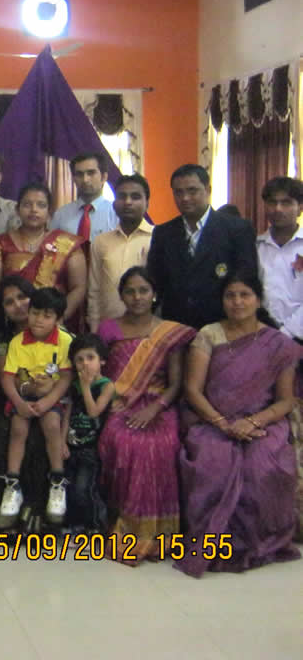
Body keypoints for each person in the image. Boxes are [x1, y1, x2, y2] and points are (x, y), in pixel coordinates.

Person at [177, 273, 301, 577]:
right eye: (230, 296)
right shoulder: (209, 335)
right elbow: (193, 390)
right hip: (211, 418)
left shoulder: (278, 344)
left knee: (263, 465)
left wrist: (252, 422)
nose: (237, 302)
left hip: (263, 420)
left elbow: (286, 400)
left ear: (258, 300)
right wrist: (223, 424)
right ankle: (216, 544)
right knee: (213, 462)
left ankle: (261, 543)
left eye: (245, 295)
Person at [96, 266, 194, 564]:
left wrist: (155, 407)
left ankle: (161, 535)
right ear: (121, 296)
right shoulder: (107, 330)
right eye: (130, 291)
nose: (137, 297)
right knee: (123, 440)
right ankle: (125, 527)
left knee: (162, 443)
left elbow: (175, 383)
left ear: (154, 294)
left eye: (143, 290)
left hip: (159, 404)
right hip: (119, 403)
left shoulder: (169, 332)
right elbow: (99, 375)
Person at [0, 275, 53, 532]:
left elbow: (59, 373)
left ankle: (32, 517)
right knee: (1, 433)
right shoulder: (3, 336)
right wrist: (20, 403)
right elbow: (4, 376)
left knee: (40, 435)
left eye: (23, 297)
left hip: (46, 398)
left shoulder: (52, 330)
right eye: (9, 302)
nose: (18, 305)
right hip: (6, 396)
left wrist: (43, 399)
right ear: (3, 310)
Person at [147, 164, 258, 330]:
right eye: (178, 192)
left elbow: (246, 278)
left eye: (192, 191)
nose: (185, 198)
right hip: (176, 327)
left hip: (223, 326)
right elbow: (156, 281)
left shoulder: (237, 229)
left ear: (208, 190)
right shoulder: (163, 233)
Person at [0, 287, 74, 526]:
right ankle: (12, 485)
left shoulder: (65, 340)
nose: (39, 320)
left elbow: (66, 377)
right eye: (35, 313)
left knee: (51, 424)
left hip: (51, 398)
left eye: (47, 316)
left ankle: (57, 483)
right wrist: (19, 403)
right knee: (18, 429)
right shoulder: (17, 341)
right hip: (23, 397)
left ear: (58, 319)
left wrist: (48, 401)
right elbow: (7, 378)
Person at [0, 182, 87, 328]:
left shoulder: (67, 243)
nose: (34, 210)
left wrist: (56, 319)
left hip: (56, 325)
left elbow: (79, 287)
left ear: (49, 211)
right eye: (27, 205)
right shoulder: (1, 243)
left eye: (41, 205)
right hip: (14, 325)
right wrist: (10, 316)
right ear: (17, 209)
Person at [87, 174, 152, 329]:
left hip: (148, 330)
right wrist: (95, 330)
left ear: (147, 203)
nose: (128, 202)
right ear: (114, 203)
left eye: (135, 197)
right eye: (122, 196)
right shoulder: (101, 242)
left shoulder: (157, 239)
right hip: (108, 329)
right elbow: (94, 291)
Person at [63, 333, 114, 533]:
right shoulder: (73, 386)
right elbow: (67, 414)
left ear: (102, 360)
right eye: (79, 359)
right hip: (72, 446)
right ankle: (74, 526)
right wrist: (62, 441)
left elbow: (94, 411)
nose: (85, 363)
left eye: (90, 357)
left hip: (92, 448)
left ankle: (94, 527)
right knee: (70, 487)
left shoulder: (106, 386)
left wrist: (85, 386)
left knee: (85, 488)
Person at [255, 176, 303, 340]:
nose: (278, 209)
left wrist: (286, 333)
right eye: (272, 202)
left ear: (300, 207)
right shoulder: (256, 247)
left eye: (286, 203)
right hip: (262, 336)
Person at [48, 153, 118, 241]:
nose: (85, 180)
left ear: (104, 177)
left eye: (91, 173)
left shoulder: (116, 214)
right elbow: (50, 246)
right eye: (79, 174)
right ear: (74, 179)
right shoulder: (61, 215)